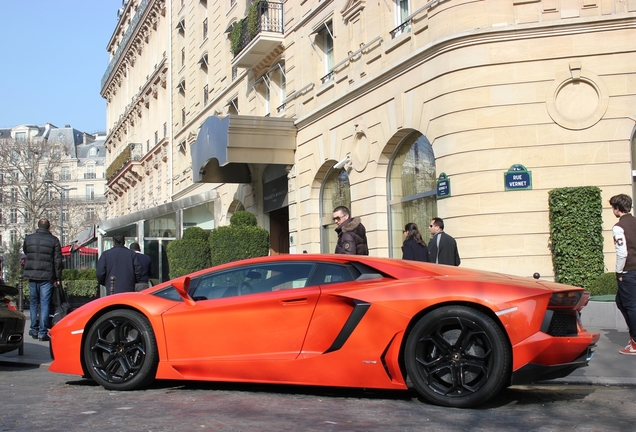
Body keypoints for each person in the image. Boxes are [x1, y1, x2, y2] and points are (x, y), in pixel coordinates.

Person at [23, 219, 63, 341]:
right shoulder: (54, 240)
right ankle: (42, 332)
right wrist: (57, 277)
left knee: (33, 303)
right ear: (49, 228)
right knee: (45, 303)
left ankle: (33, 329)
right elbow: (58, 261)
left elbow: (26, 251)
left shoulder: (29, 238)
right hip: (47, 275)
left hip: (32, 274)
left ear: (38, 226)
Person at [610, 193, 636, 355]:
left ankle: (634, 342)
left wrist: (619, 272)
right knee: (620, 301)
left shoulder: (619, 227)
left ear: (618, 209)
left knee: (630, 305)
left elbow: (622, 253)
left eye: (613, 208)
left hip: (628, 271)